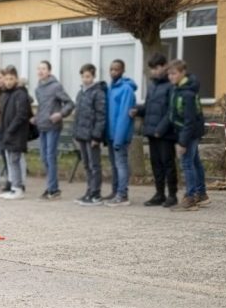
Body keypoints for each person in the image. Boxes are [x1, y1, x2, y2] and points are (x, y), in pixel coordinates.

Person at [130, 54, 179, 208]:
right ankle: (159, 194)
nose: (154, 71)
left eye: (156, 68)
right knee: (156, 164)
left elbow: (172, 111)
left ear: (164, 66)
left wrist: (160, 129)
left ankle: (172, 195)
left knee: (168, 164)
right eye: (152, 69)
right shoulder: (152, 86)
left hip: (165, 133)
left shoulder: (171, 86)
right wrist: (137, 110)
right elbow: (149, 108)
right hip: (152, 132)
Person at [167, 60, 210, 211]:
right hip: (186, 131)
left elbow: (189, 120)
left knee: (187, 163)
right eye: (169, 74)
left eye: (174, 73)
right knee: (195, 162)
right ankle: (202, 194)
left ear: (183, 73)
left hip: (189, 133)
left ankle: (190, 197)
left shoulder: (187, 93)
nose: (170, 76)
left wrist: (183, 142)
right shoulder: (178, 89)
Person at [33, 61, 75, 200]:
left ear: (49, 71)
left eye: (43, 68)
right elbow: (42, 107)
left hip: (53, 126)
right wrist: (36, 117)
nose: (40, 71)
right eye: (39, 69)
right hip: (42, 126)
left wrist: (60, 114)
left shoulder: (56, 86)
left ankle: (53, 189)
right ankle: (53, 187)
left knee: (50, 157)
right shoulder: (38, 88)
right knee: (44, 157)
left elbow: (69, 103)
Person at [72, 64, 108, 206]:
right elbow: (78, 115)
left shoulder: (98, 93)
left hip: (92, 136)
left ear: (93, 76)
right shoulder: (81, 93)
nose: (85, 79)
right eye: (83, 76)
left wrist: (96, 136)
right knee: (86, 165)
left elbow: (101, 116)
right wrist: (75, 132)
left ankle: (96, 193)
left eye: (88, 76)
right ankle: (89, 190)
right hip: (81, 134)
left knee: (94, 165)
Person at [104, 59, 137, 206]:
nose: (113, 72)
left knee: (121, 164)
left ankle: (122, 195)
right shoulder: (111, 88)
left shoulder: (126, 89)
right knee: (114, 165)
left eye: (116, 69)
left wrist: (119, 138)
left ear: (123, 70)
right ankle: (115, 191)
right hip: (111, 135)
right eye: (111, 69)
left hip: (120, 136)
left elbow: (124, 115)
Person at [0, 66, 31, 200]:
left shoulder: (20, 94)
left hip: (17, 133)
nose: (8, 81)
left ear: (16, 79)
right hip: (7, 133)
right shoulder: (6, 94)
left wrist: (11, 129)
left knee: (15, 160)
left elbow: (22, 114)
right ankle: (13, 187)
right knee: (10, 161)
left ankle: (18, 188)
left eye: (11, 79)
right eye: (6, 79)